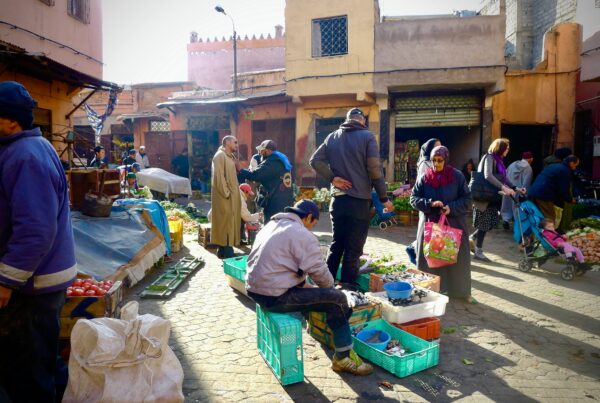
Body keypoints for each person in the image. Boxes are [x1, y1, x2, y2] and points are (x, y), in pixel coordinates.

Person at [0, 81, 77, 402]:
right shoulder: (29, 147)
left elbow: (35, 230)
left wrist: (6, 281)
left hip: (32, 287)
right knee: (43, 362)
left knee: (28, 374)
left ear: (10, 120)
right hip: (39, 283)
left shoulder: (25, 156)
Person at [246, 199, 373, 376]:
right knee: (337, 300)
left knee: (314, 291)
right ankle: (342, 357)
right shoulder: (301, 234)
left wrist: (313, 288)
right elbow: (320, 272)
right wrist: (332, 291)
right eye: (313, 223)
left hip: (254, 289)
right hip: (275, 296)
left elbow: (281, 265)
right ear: (308, 217)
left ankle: (318, 328)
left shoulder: (271, 225)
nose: (312, 228)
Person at [310, 108, 393, 286]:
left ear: (347, 120)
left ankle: (326, 286)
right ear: (362, 120)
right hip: (358, 202)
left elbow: (314, 160)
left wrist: (333, 178)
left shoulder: (332, 137)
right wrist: (384, 197)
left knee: (337, 244)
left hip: (338, 201)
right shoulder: (367, 137)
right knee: (353, 249)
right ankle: (348, 289)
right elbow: (374, 169)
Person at [410, 146, 474, 302]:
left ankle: (460, 292)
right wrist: (430, 203)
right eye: (433, 161)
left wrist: (450, 207)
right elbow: (413, 199)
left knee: (456, 258)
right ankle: (429, 290)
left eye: (440, 161)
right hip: (431, 226)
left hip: (453, 224)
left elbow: (467, 199)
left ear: (446, 160)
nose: (436, 164)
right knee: (430, 259)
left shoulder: (457, 177)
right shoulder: (425, 178)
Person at [470, 138, 523, 262]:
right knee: (484, 223)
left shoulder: (499, 160)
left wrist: (515, 188)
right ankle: (478, 251)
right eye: (507, 148)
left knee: (489, 222)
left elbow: (503, 178)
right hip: (485, 196)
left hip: (492, 196)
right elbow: (488, 175)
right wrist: (503, 187)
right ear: (501, 148)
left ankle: (472, 238)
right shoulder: (489, 157)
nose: (508, 151)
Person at [238, 140, 294, 223]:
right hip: (284, 199)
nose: (259, 152)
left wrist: (240, 170)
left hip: (275, 202)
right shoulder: (281, 159)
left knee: (271, 226)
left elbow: (256, 175)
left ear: (268, 151)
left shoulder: (272, 162)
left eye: (261, 150)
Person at [406, 138, 442, 264]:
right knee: (427, 230)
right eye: (436, 147)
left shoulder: (435, 163)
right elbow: (423, 185)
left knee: (433, 230)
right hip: (427, 202)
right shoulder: (425, 164)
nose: (439, 150)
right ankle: (416, 250)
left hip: (435, 201)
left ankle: (415, 249)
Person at [211, 135, 242, 259]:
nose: (237, 145)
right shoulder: (219, 156)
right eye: (235, 142)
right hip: (224, 196)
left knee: (227, 222)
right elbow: (218, 177)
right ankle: (228, 252)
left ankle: (222, 251)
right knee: (225, 222)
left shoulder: (229, 156)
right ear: (227, 143)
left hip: (231, 196)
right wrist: (227, 193)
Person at [528, 155, 579, 225]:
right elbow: (563, 189)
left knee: (537, 217)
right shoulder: (565, 171)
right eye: (575, 165)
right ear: (572, 163)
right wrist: (570, 199)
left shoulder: (554, 166)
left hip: (533, 192)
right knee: (549, 219)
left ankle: (534, 235)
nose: (575, 168)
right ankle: (547, 235)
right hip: (543, 195)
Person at [501, 151, 534, 229]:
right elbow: (527, 182)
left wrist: (505, 187)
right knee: (517, 207)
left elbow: (505, 175)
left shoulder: (512, 164)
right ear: (530, 159)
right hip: (518, 190)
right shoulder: (528, 168)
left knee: (506, 205)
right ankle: (517, 225)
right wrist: (524, 194)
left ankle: (505, 220)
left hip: (508, 188)